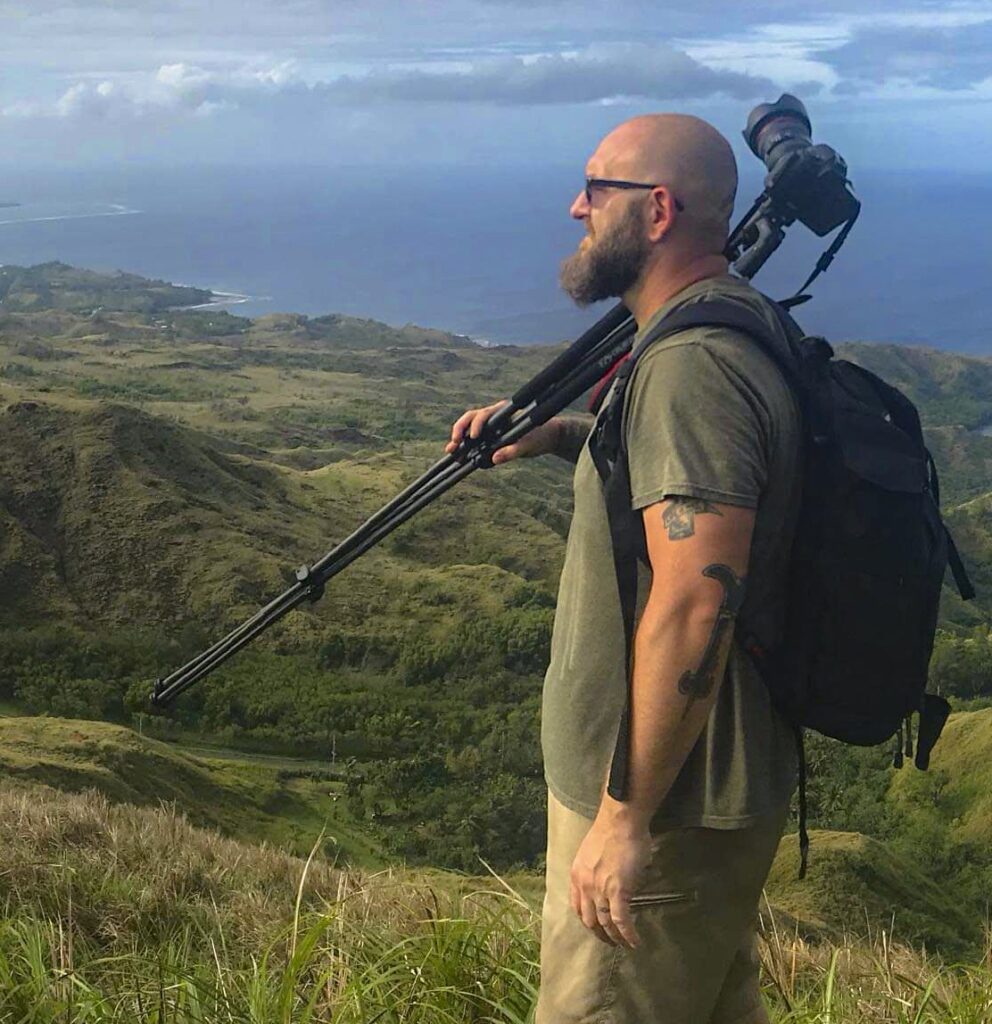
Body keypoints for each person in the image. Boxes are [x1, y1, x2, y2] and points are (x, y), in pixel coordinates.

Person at [447, 114, 801, 1024]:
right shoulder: (718, 322)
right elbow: (682, 488)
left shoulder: (693, 366)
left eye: (594, 189)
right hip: (689, 801)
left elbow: (695, 600)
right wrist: (564, 433)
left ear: (656, 212)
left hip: (667, 806)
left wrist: (624, 821)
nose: (574, 207)